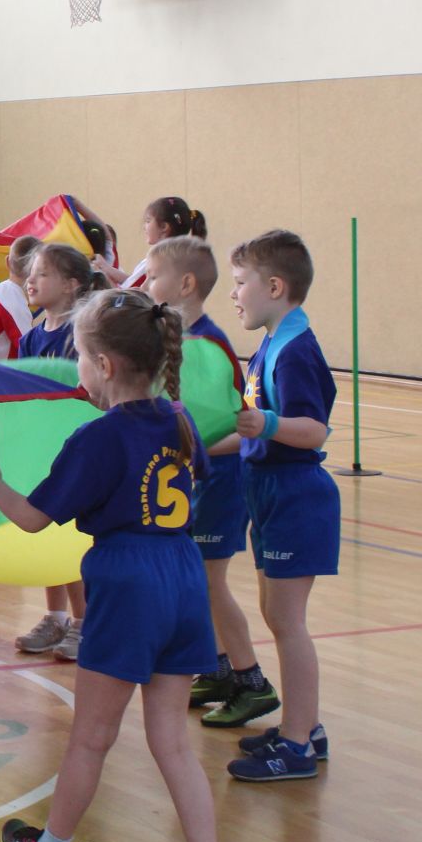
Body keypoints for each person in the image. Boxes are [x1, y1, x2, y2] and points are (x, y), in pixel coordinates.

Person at [0, 288, 234, 842]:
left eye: (80, 356)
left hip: (128, 581)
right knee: (173, 741)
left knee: (91, 737)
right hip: (183, 575)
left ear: (104, 365)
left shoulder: (99, 437)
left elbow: (33, 519)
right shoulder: (181, 419)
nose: (76, 366)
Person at [145, 236, 276, 730]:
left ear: (185, 283)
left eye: (153, 276)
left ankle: (251, 680)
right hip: (196, 479)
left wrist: (187, 448)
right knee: (198, 582)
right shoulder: (174, 338)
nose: (146, 284)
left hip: (221, 479)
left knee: (209, 582)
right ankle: (219, 669)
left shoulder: (209, 345)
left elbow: (234, 429)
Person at [225, 230, 337, 783]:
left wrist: (266, 423)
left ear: (274, 287)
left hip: (296, 495)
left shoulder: (295, 351)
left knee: (288, 623)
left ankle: (296, 745)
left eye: (240, 283)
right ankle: (304, 726)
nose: (234, 294)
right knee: (276, 616)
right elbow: (254, 428)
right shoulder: (272, 344)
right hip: (269, 491)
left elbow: (313, 429)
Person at [15, 243, 107, 661]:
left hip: (77, 452)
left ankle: (84, 622)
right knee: (46, 536)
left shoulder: (82, 336)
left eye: (43, 274)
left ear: (71, 285)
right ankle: (55, 617)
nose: (31, 280)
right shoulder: (31, 338)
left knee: (72, 542)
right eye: (30, 273)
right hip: (40, 451)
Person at [95, 196, 207, 289]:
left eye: (148, 221)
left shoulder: (159, 262)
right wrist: (106, 268)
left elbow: (127, 297)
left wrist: (102, 274)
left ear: (164, 227)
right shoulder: (168, 258)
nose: (144, 227)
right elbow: (132, 281)